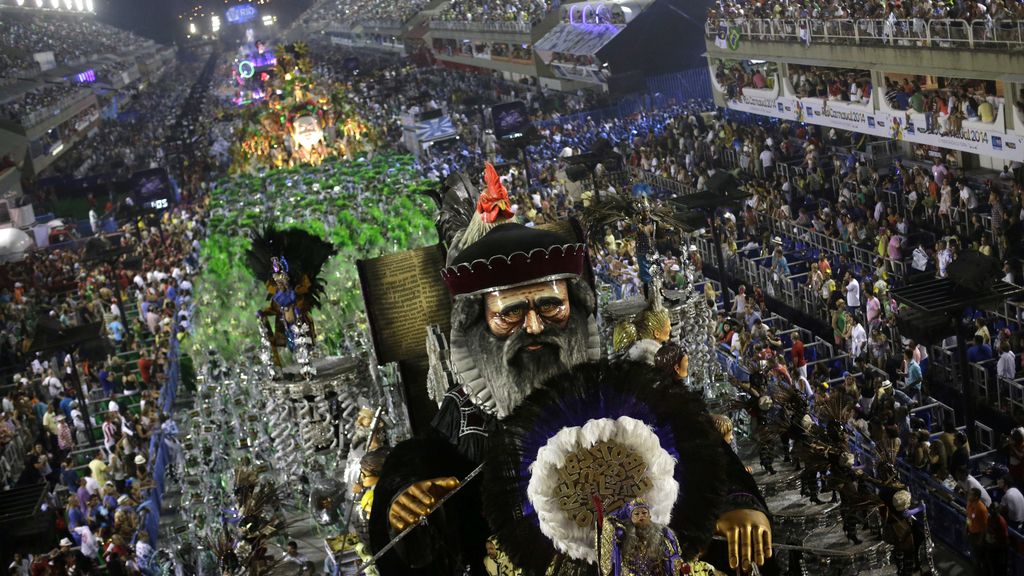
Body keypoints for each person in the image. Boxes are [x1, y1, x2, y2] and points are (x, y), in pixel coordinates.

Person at [370, 223, 772, 575]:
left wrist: (736, 504)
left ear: (575, 309)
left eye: (550, 306)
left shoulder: (622, 389)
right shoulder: (469, 419)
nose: (533, 326)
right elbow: (421, 463)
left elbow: (699, 448)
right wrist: (403, 499)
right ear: (478, 327)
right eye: (509, 313)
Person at [966, 488, 989, 574]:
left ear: (976, 497)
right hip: (971, 533)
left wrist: (980, 540)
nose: (968, 495)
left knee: (981, 557)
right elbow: (968, 516)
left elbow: (985, 527)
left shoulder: (982, 509)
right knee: (975, 555)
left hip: (979, 536)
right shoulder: (969, 503)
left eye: (970, 494)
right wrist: (967, 528)